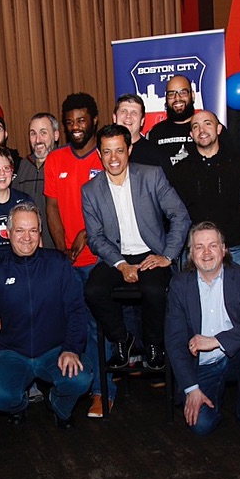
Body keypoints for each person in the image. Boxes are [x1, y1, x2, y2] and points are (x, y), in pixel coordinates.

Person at [0, 203, 92, 428]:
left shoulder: (58, 264)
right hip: (13, 353)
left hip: (55, 350)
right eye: (20, 230)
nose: (27, 238)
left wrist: (71, 348)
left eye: (33, 230)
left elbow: (77, 310)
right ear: (8, 233)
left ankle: (59, 407)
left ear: (40, 232)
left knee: (80, 379)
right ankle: (19, 406)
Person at [82, 124, 190, 372]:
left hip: (151, 252)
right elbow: (95, 238)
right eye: (107, 151)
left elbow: (180, 215)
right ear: (99, 154)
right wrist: (121, 265)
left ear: (129, 149)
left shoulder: (152, 176)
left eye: (119, 150)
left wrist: (167, 255)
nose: (114, 158)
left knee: (154, 290)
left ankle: (153, 344)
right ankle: (122, 339)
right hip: (115, 255)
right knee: (93, 290)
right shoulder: (90, 190)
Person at [165, 222, 240, 438]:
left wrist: (216, 340)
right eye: (199, 247)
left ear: (224, 250)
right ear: (190, 253)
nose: (206, 253)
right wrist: (191, 389)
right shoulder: (180, 284)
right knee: (201, 426)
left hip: (235, 357)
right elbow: (174, 341)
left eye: (213, 245)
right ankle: (212, 396)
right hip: (201, 365)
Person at [44, 92, 114, 416]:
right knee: (75, 328)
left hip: (100, 258)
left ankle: (103, 391)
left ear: (94, 120)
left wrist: (88, 234)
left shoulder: (106, 156)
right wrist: (61, 248)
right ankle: (80, 386)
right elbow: (52, 206)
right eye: (70, 121)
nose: (76, 126)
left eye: (82, 120)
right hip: (67, 262)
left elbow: (115, 204)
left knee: (99, 328)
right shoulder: (55, 160)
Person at [167, 110, 240, 267]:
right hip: (196, 251)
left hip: (233, 248)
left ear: (218, 129)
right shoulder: (180, 171)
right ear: (191, 135)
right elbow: (176, 214)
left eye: (207, 124)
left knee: (239, 285)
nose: (202, 130)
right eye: (196, 126)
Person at [12, 112, 59, 249]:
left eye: (43, 133)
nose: (38, 140)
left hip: (59, 248)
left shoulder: (65, 163)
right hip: (29, 247)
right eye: (33, 134)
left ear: (56, 135)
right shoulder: (23, 165)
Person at [145, 75, 195, 170]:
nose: (177, 98)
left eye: (183, 92)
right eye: (171, 94)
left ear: (192, 95)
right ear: (166, 99)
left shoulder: (206, 129)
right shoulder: (155, 133)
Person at [112, 94, 165, 169]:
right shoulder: (104, 151)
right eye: (123, 111)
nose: (128, 116)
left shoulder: (156, 154)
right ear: (114, 117)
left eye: (134, 113)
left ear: (142, 121)